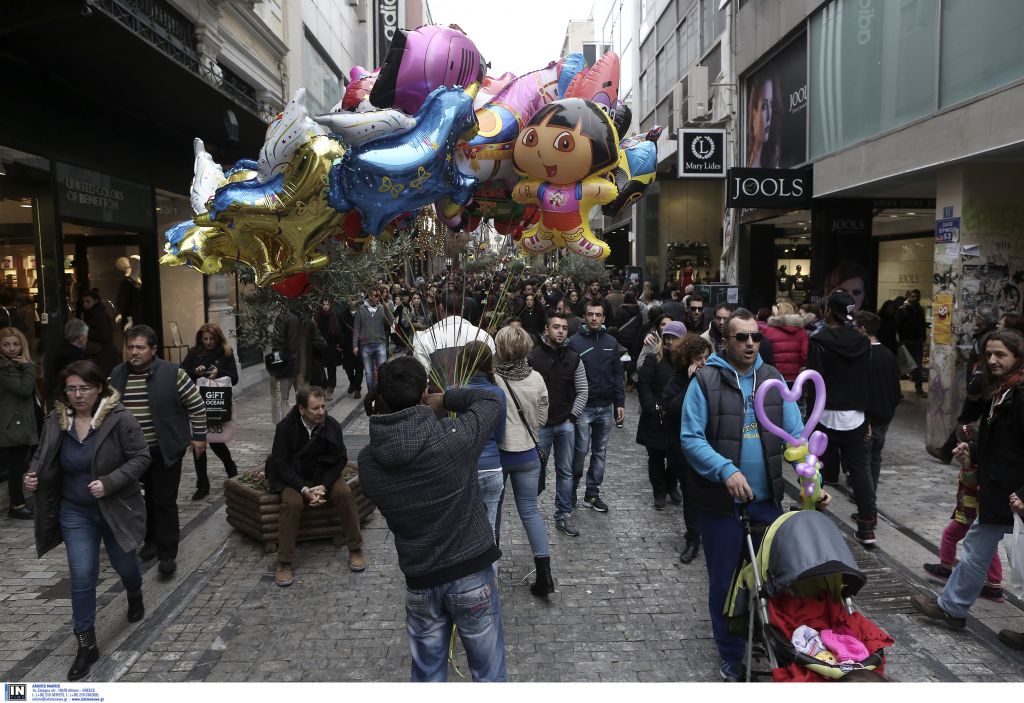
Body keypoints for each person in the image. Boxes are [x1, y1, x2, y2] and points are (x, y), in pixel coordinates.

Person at [358, 356, 507, 682]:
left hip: (421, 581)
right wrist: (447, 398)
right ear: (425, 393)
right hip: (471, 573)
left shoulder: (368, 463)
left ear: (381, 395)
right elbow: (491, 400)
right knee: (489, 676)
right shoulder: (454, 438)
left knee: (427, 677)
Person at [680, 308, 808, 682]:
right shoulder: (705, 381)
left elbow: (795, 437)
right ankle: (732, 655)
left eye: (755, 336)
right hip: (720, 506)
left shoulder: (774, 380)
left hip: (767, 503)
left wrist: (810, 480)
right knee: (724, 581)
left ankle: (768, 637)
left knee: (775, 579)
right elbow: (691, 438)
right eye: (742, 337)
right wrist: (726, 470)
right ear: (726, 342)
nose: (751, 343)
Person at [24, 360, 149, 681]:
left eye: (85, 388)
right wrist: (33, 475)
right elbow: (42, 455)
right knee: (82, 575)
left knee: (125, 565)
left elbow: (141, 457)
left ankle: (134, 591)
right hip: (75, 511)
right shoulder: (56, 420)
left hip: (114, 508)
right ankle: (86, 645)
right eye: (71, 389)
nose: (78, 395)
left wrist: (109, 482)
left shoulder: (120, 419)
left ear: (99, 388)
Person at [911, 329, 1024, 650]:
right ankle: (952, 607)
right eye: (989, 354)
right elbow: (1002, 443)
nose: (993, 360)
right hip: (999, 491)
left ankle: (953, 607)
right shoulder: (1001, 390)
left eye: (1001, 354)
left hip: (1014, 495)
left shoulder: (1020, 395)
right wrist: (972, 452)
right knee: (976, 546)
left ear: (1017, 356)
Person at [109, 325, 207, 576]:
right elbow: (105, 411)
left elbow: (196, 405)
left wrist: (199, 437)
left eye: (140, 347)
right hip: (132, 455)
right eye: (130, 347)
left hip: (165, 449)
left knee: (164, 500)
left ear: (153, 350)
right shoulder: (117, 375)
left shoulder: (174, 373)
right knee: (142, 501)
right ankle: (150, 541)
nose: (134, 352)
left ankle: (167, 553)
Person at [266, 386, 365, 586]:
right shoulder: (285, 428)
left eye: (323, 407)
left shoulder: (331, 425)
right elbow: (280, 464)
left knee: (345, 493)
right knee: (292, 504)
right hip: (294, 478)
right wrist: (303, 489)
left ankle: (355, 549)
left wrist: (324, 486)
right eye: (315, 408)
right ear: (302, 409)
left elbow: (340, 459)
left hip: (322, 475)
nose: (321, 412)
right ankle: (284, 562)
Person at [807, 291, 876, 546]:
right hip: (855, 416)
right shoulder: (863, 342)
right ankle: (867, 527)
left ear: (828, 311)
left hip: (824, 414)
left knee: (817, 469)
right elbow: (866, 381)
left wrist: (809, 420)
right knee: (860, 471)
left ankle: (816, 519)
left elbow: (814, 382)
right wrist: (867, 417)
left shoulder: (819, 340)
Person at [493, 325, 553, 597]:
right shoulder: (536, 378)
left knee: (492, 511)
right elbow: (542, 419)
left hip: (499, 455)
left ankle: (491, 573)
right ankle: (545, 575)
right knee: (530, 512)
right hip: (529, 454)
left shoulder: (492, 379)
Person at [529, 311, 588, 537]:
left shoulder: (573, 358)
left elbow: (583, 391)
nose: (561, 331)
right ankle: (530, 513)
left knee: (565, 471)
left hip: (565, 423)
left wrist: (572, 417)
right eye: (556, 327)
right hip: (541, 425)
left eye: (564, 328)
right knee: (535, 470)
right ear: (547, 329)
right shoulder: (533, 357)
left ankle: (563, 514)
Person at [568, 301, 625, 512]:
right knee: (580, 451)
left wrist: (620, 402)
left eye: (598, 315)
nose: (594, 318)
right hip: (583, 407)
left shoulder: (611, 341)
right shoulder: (574, 342)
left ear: (603, 318)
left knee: (600, 452)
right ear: (584, 316)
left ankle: (592, 493)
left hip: (605, 406)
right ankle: (571, 490)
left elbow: (617, 374)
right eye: (590, 314)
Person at [663, 332, 713, 564]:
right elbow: (672, 409)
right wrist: (691, 384)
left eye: (706, 358)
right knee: (691, 493)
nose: (703, 363)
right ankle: (693, 537)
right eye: (698, 358)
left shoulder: (713, 377)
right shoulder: (677, 379)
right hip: (683, 447)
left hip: (709, 444)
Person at [932, 305, 1000, 464]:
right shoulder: (985, 336)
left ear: (983, 320)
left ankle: (948, 451)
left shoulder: (988, 339)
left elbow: (982, 366)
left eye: (978, 317)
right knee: (971, 418)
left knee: (966, 418)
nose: (975, 319)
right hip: (981, 387)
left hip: (980, 388)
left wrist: (974, 387)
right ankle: (948, 450)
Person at [456, 342, 507, 546]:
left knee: (463, 530)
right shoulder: (498, 393)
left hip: (464, 468)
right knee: (490, 529)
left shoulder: (454, 392)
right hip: (492, 467)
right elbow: (500, 434)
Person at [180, 323, 239, 500]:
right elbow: (181, 374)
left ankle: (231, 470)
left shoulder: (226, 352)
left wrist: (219, 372)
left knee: (216, 442)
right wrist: (195, 371)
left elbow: (234, 378)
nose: (208, 342)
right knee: (198, 443)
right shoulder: (194, 352)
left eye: (212, 339)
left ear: (218, 338)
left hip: (217, 403)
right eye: (205, 339)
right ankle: (202, 484)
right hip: (197, 403)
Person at [636, 321, 685, 510]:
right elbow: (644, 383)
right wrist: (651, 406)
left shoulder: (685, 362)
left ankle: (671, 486)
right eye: (667, 337)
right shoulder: (653, 358)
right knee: (655, 457)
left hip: (676, 416)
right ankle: (659, 490)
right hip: (655, 417)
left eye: (674, 338)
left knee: (676, 457)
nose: (670, 341)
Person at [853, 311, 901, 493]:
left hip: (868, 417)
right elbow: (896, 390)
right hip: (883, 416)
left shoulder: (863, 355)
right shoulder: (889, 355)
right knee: (875, 456)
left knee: (864, 459)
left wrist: (866, 418)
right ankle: (869, 491)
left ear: (863, 329)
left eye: (855, 327)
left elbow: (862, 389)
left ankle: (866, 496)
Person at [413, 293, 495, 390]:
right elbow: (492, 372)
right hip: (480, 396)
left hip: (440, 396)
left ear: (440, 308)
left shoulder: (426, 338)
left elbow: (421, 378)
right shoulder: (483, 336)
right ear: (463, 309)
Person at [1, 326, 38, 519]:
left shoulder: (15, 366)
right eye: (6, 344)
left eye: (16, 344)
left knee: (19, 466)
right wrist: (28, 366)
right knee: (15, 468)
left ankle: (18, 502)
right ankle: (16, 505)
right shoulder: (5, 368)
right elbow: (24, 389)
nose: (12, 348)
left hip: (20, 424)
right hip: (11, 426)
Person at [352, 288, 392, 396]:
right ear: (370, 296)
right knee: (369, 373)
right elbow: (356, 329)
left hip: (380, 343)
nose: (379, 298)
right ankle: (371, 394)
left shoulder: (382, 308)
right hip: (366, 345)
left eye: (379, 296)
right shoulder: (361, 309)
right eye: (376, 296)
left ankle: (381, 393)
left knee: (382, 370)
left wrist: (386, 309)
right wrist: (355, 345)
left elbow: (389, 323)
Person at [762, 300, 811, 383]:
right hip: (794, 376)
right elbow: (804, 355)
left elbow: (765, 353)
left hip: (773, 377)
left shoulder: (768, 331)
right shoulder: (801, 331)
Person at [270, 309, 301, 422]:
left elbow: (277, 341)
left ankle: (286, 425)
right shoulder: (301, 316)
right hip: (300, 363)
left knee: (284, 399)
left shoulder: (283, 317)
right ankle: (301, 423)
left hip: (286, 364)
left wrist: (276, 365)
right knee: (301, 397)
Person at [80, 289, 119, 376]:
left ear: (96, 301)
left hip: (104, 353)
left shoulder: (98, 314)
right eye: (84, 302)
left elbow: (104, 335)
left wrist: (86, 330)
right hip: (102, 352)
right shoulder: (93, 313)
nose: (85, 304)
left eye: (88, 301)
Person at [897, 289, 928, 397]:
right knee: (902, 367)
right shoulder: (902, 309)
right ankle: (898, 391)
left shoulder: (920, 309)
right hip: (906, 341)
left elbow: (922, 324)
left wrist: (923, 337)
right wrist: (901, 340)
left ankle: (919, 388)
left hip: (917, 341)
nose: (915, 298)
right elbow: (898, 326)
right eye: (913, 296)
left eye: (917, 297)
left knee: (918, 366)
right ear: (908, 297)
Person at [314, 299, 344, 400]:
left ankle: (330, 389)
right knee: (320, 370)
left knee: (331, 370)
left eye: (327, 304)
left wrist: (340, 344)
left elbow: (338, 331)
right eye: (324, 304)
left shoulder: (334, 316)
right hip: (320, 347)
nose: (326, 306)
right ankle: (323, 388)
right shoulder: (317, 316)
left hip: (331, 347)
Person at [339, 296, 364, 398]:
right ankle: (352, 382)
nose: (351, 302)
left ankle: (357, 388)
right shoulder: (342, 315)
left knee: (359, 367)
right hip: (347, 345)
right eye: (349, 300)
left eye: (353, 300)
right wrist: (340, 343)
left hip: (360, 344)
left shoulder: (362, 313)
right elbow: (340, 331)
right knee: (348, 368)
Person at [52, 319, 91, 384]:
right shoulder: (78, 357)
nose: (87, 339)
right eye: (86, 335)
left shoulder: (59, 350)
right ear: (81, 337)